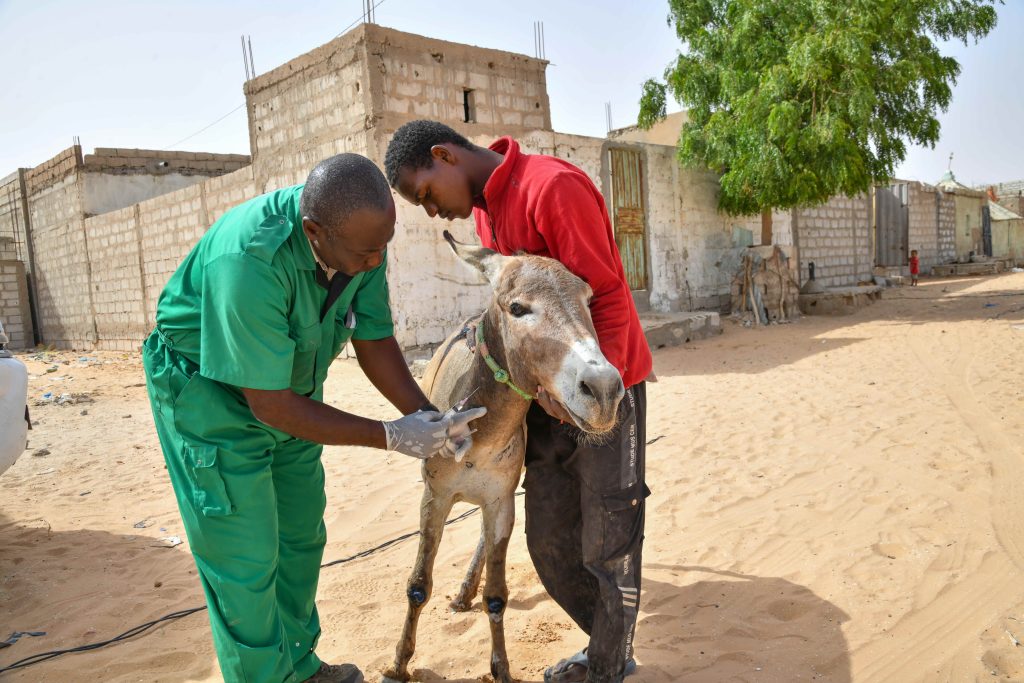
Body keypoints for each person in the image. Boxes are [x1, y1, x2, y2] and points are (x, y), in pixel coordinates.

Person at [143, 153, 485, 683]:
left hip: (294, 390)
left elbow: (372, 338)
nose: (376, 262)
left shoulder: (362, 240)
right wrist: (393, 436)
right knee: (246, 556)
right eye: (366, 252)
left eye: (383, 248)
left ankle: (298, 665)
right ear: (313, 231)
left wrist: (430, 419)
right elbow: (270, 406)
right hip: (209, 397)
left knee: (300, 537)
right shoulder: (248, 260)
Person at [385, 121, 652, 683]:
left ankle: (608, 664)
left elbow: (600, 295)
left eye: (427, 194)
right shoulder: (485, 213)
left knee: (610, 539)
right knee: (548, 539)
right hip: (541, 401)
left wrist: (605, 390)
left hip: (606, 387)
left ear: (445, 156)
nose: (433, 212)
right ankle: (606, 642)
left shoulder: (552, 188)